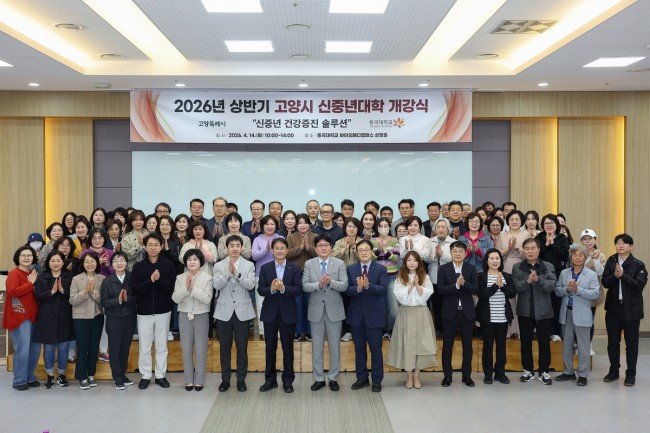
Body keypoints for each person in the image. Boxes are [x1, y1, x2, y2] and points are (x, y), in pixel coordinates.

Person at [302, 234, 348, 392]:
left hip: (334, 310)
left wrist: (330, 282)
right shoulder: (309, 264)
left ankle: (333, 378)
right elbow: (305, 286)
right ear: (315, 248)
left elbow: (344, 285)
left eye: (326, 245)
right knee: (317, 346)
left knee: (335, 346)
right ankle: (319, 378)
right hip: (316, 310)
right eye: (320, 245)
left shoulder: (339, 263)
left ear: (331, 248)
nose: (323, 248)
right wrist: (319, 284)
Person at [131, 233, 176, 390]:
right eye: (150, 244)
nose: (153, 247)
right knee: (145, 345)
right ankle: (145, 375)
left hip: (164, 311)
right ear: (144, 246)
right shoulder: (138, 267)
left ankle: (160, 375)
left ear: (161, 246)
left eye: (156, 244)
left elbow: (171, 286)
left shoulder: (168, 265)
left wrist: (159, 279)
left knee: (161, 345)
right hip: (144, 312)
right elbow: (135, 288)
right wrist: (150, 281)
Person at [602, 234, 648, 387]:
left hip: (631, 310)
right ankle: (614, 371)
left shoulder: (638, 264)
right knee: (613, 343)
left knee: (632, 344)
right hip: (613, 309)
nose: (620, 245)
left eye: (624, 243)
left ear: (631, 247)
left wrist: (623, 275)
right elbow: (605, 282)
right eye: (618, 243)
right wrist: (615, 276)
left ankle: (631, 374)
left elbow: (638, 285)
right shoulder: (611, 261)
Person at [257, 238, 302, 393]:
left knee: (288, 348)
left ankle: (288, 380)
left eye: (282, 248)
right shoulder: (265, 268)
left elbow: (298, 289)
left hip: (288, 313)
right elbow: (260, 289)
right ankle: (270, 380)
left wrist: (283, 289)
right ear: (272, 251)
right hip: (270, 313)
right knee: (270, 347)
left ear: (287, 250)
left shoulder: (294, 268)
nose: (280, 251)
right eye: (276, 248)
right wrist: (271, 289)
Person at [386, 251, 436, 389]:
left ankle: (417, 376)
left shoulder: (425, 276)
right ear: (405, 262)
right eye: (409, 260)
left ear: (419, 262)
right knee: (406, 344)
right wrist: (410, 286)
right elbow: (399, 296)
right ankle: (408, 375)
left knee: (421, 344)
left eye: (414, 260)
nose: (412, 263)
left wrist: (417, 285)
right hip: (405, 313)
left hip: (421, 312)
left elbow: (427, 294)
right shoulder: (400, 277)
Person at [213, 235, 257, 392]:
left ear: (242, 248)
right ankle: (225, 379)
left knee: (242, 348)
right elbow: (216, 285)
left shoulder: (249, 265)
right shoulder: (218, 265)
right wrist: (227, 273)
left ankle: (241, 379)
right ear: (226, 248)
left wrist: (237, 274)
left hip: (242, 312)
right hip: (223, 312)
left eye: (238, 245)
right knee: (224, 348)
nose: (235, 248)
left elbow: (251, 285)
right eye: (231, 245)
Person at [511, 238, 558, 385]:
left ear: (539, 250)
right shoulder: (517, 267)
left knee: (544, 343)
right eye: (527, 249)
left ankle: (544, 371)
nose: (530, 251)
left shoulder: (548, 266)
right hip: (525, 311)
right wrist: (528, 281)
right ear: (524, 251)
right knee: (525, 342)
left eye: (533, 248)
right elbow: (515, 287)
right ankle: (528, 370)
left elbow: (551, 286)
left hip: (544, 311)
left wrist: (538, 280)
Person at [554, 244, 600, 386]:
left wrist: (578, 290)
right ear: (571, 257)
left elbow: (595, 294)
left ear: (585, 257)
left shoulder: (591, 274)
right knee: (567, 344)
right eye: (575, 255)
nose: (578, 258)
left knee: (583, 346)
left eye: (581, 255)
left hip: (583, 314)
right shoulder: (564, 273)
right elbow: (557, 291)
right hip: (566, 312)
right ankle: (568, 372)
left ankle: (583, 375)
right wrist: (567, 289)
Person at [346, 240, 388, 392]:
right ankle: (362, 378)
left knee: (376, 350)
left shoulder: (381, 269)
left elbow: (383, 290)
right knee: (359, 350)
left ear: (372, 252)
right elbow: (346, 290)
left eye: (366, 249)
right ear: (357, 252)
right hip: (356, 316)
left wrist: (368, 286)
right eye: (360, 250)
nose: (363, 252)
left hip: (374, 316)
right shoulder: (351, 269)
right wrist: (358, 288)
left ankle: (377, 380)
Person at [437, 241, 479, 387]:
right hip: (449, 312)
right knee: (447, 346)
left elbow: (476, 289)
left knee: (468, 346)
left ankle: (466, 376)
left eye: (461, 251)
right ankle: (447, 376)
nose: (458, 253)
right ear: (450, 253)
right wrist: (455, 285)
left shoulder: (471, 268)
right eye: (454, 251)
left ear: (465, 253)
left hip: (467, 313)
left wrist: (464, 284)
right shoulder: (443, 269)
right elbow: (440, 289)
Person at [172, 249, 213, 391]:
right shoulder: (180, 278)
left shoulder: (207, 278)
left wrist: (193, 288)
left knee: (201, 349)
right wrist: (185, 287)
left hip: (201, 316)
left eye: (195, 259)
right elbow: (175, 298)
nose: (192, 262)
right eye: (189, 260)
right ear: (185, 262)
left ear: (201, 262)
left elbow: (207, 299)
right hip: (184, 316)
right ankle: (188, 380)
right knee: (186, 349)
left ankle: (199, 380)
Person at [33, 250, 74, 389]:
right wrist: (51, 292)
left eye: (58, 261)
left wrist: (62, 290)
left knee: (63, 348)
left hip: (65, 317)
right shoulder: (41, 277)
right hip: (46, 317)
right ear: (48, 262)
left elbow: (73, 296)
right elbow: (37, 296)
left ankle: (62, 375)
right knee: (49, 349)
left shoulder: (69, 276)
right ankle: (50, 375)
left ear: (63, 262)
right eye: (52, 261)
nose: (55, 263)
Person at [476, 249, 516, 384]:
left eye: (497, 258)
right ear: (487, 261)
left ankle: (500, 373)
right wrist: (495, 286)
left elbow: (512, 293)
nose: (494, 261)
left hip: (502, 317)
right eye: (491, 258)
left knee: (501, 346)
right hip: (487, 318)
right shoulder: (481, 276)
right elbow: (481, 294)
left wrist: (502, 286)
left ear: (501, 261)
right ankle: (488, 374)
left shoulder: (507, 276)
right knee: (487, 346)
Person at [4, 246, 41, 390]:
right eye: (23, 255)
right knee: (22, 349)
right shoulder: (14, 274)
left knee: (35, 349)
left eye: (29, 255)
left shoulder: (33, 273)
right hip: (19, 316)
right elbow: (12, 291)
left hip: (34, 316)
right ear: (17, 258)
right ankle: (19, 380)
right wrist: (30, 283)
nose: (26, 258)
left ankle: (29, 377)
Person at [101, 251, 137, 390]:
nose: (119, 263)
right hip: (113, 319)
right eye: (116, 261)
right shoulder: (107, 281)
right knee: (115, 349)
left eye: (122, 260)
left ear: (126, 262)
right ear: (111, 264)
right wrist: (118, 300)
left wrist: (128, 299)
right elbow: (104, 302)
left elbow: (137, 297)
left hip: (129, 317)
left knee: (125, 348)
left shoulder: (132, 278)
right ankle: (117, 377)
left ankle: (122, 374)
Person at [69, 251, 105, 389]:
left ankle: (91, 374)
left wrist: (95, 293)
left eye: (92, 261)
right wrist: (84, 291)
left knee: (94, 347)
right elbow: (72, 300)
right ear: (83, 264)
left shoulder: (102, 278)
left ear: (97, 263)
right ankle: (81, 376)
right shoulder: (76, 279)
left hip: (97, 316)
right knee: (82, 347)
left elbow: (104, 300)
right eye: (87, 262)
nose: (90, 264)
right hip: (81, 318)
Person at [537, 214, 570, 341]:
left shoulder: (562, 238)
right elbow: (536, 255)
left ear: (556, 225)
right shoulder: (539, 237)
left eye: (551, 223)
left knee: (556, 303)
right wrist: (546, 243)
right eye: (546, 223)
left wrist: (553, 244)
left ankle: (556, 332)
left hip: (558, 274)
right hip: (541, 274)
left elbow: (564, 255)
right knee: (543, 303)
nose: (549, 225)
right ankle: (543, 331)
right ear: (542, 225)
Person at [286, 213, 317, 341]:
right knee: (297, 304)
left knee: (310, 303)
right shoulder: (290, 237)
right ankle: (298, 331)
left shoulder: (315, 237)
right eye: (300, 223)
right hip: (295, 275)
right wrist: (300, 248)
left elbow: (320, 254)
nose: (302, 225)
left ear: (309, 225)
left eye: (305, 223)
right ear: (296, 225)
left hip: (312, 274)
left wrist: (308, 248)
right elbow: (286, 254)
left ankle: (310, 331)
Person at [252, 215, 284, 337]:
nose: (269, 226)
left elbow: (283, 254)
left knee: (279, 304)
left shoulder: (280, 238)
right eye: (267, 224)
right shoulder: (257, 239)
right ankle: (263, 331)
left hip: (279, 274)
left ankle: (279, 331)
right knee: (261, 304)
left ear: (276, 226)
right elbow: (254, 256)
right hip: (261, 275)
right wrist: (266, 250)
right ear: (262, 226)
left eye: (272, 224)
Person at [371, 217, 401, 338]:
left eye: (385, 226)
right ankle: (382, 329)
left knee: (393, 307)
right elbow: (370, 259)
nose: (383, 228)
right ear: (377, 228)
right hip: (377, 278)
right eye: (381, 226)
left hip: (391, 277)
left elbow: (396, 258)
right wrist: (378, 251)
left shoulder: (394, 241)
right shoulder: (373, 241)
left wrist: (386, 252)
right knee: (380, 306)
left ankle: (392, 329)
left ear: (389, 227)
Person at [580, 228, 606, 353]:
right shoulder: (577, 253)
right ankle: (578, 345)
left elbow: (601, 273)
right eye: (584, 239)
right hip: (578, 291)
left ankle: (588, 345)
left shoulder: (600, 255)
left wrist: (595, 259)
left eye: (590, 239)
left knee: (589, 319)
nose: (587, 241)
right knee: (578, 320)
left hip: (592, 293)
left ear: (595, 240)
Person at [427, 218, 455, 334]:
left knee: (448, 304)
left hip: (449, 278)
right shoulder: (429, 241)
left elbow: (455, 258)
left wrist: (442, 254)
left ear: (448, 229)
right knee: (436, 304)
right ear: (435, 229)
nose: (441, 229)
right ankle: (439, 328)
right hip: (434, 277)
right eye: (438, 227)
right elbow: (426, 258)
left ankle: (449, 328)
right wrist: (435, 255)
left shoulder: (453, 242)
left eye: (443, 227)